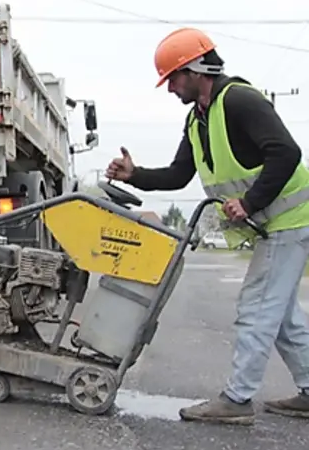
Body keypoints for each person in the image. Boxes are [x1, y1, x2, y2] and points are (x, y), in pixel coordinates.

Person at [106, 27, 309, 425]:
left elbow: (286, 152)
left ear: (197, 70)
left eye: (173, 79)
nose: (169, 89)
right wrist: (135, 175)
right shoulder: (198, 119)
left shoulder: (240, 101)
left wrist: (250, 202)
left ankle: (237, 399)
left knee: (256, 306)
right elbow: (179, 175)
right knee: (282, 316)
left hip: (291, 219)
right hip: (276, 225)